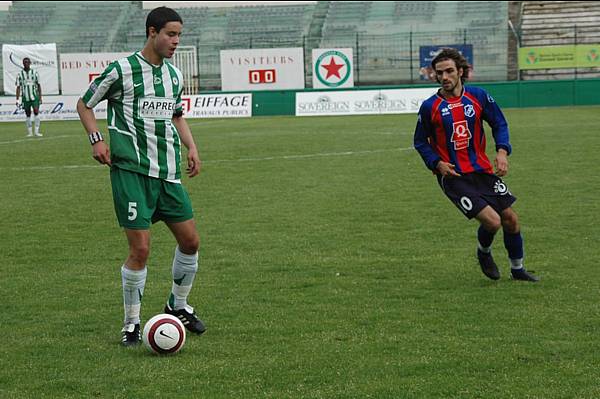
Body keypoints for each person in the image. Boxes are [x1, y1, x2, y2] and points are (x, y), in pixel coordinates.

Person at [76, 6, 206, 346]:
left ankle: (177, 305)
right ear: (152, 32)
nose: (176, 41)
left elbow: (176, 116)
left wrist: (191, 147)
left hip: (168, 173)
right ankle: (131, 324)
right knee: (141, 250)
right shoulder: (122, 70)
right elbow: (85, 103)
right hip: (131, 172)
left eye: (179, 35)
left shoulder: (174, 77)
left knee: (191, 241)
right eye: (171, 34)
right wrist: (97, 139)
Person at [413, 48, 539, 282]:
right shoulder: (430, 107)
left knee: (510, 218)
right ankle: (484, 253)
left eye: (449, 71)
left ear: (460, 71)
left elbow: (499, 123)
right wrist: (437, 163)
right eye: (439, 73)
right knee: (493, 221)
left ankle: (518, 269)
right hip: (454, 176)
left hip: (481, 170)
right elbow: (420, 142)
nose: (445, 77)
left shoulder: (478, 96)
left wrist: (502, 151)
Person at [16, 57, 42, 137]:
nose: (26, 63)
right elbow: (18, 87)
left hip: (34, 97)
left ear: (30, 63)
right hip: (25, 98)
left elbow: (38, 85)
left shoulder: (35, 73)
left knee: (36, 111)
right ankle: (30, 132)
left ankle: (37, 131)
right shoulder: (20, 74)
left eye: (27, 62)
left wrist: (40, 97)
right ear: (23, 63)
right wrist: (17, 99)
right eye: (25, 62)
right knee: (27, 114)